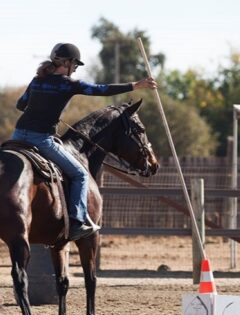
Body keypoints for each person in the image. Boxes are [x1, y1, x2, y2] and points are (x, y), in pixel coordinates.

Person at [12, 43, 157, 241]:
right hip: (42, 140)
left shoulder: (37, 80)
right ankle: (77, 221)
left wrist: (43, 109)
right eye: (75, 65)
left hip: (18, 136)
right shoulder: (68, 84)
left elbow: (21, 105)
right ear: (68, 63)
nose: (75, 69)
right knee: (80, 174)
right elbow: (101, 90)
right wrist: (135, 86)